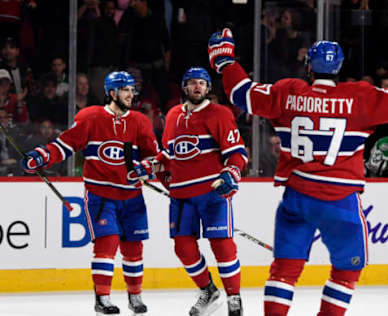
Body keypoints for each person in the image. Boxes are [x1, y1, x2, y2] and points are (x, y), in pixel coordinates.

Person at [208, 28, 388, 316]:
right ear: (339, 67)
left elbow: (240, 92)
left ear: (309, 67)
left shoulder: (288, 92)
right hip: (341, 201)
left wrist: (225, 61)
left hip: (297, 198)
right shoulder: (359, 96)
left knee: (284, 271)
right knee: (346, 272)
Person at [20, 71, 159, 315]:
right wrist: (41, 156)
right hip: (101, 195)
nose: (130, 94)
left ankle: (135, 295)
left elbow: (154, 158)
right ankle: (102, 298)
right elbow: (65, 145)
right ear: (112, 92)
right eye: (125, 89)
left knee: (134, 248)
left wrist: (147, 168)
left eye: (131, 89)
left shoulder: (141, 121)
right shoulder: (91, 117)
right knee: (107, 243)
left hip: (132, 197)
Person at [134, 67, 248, 316]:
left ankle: (234, 296)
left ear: (208, 88)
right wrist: (150, 165)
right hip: (181, 196)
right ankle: (208, 290)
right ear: (184, 88)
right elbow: (169, 153)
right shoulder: (173, 114)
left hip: (212, 194)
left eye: (202, 83)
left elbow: (237, 153)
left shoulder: (220, 114)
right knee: (183, 248)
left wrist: (232, 173)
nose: (197, 87)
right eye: (192, 83)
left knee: (222, 246)